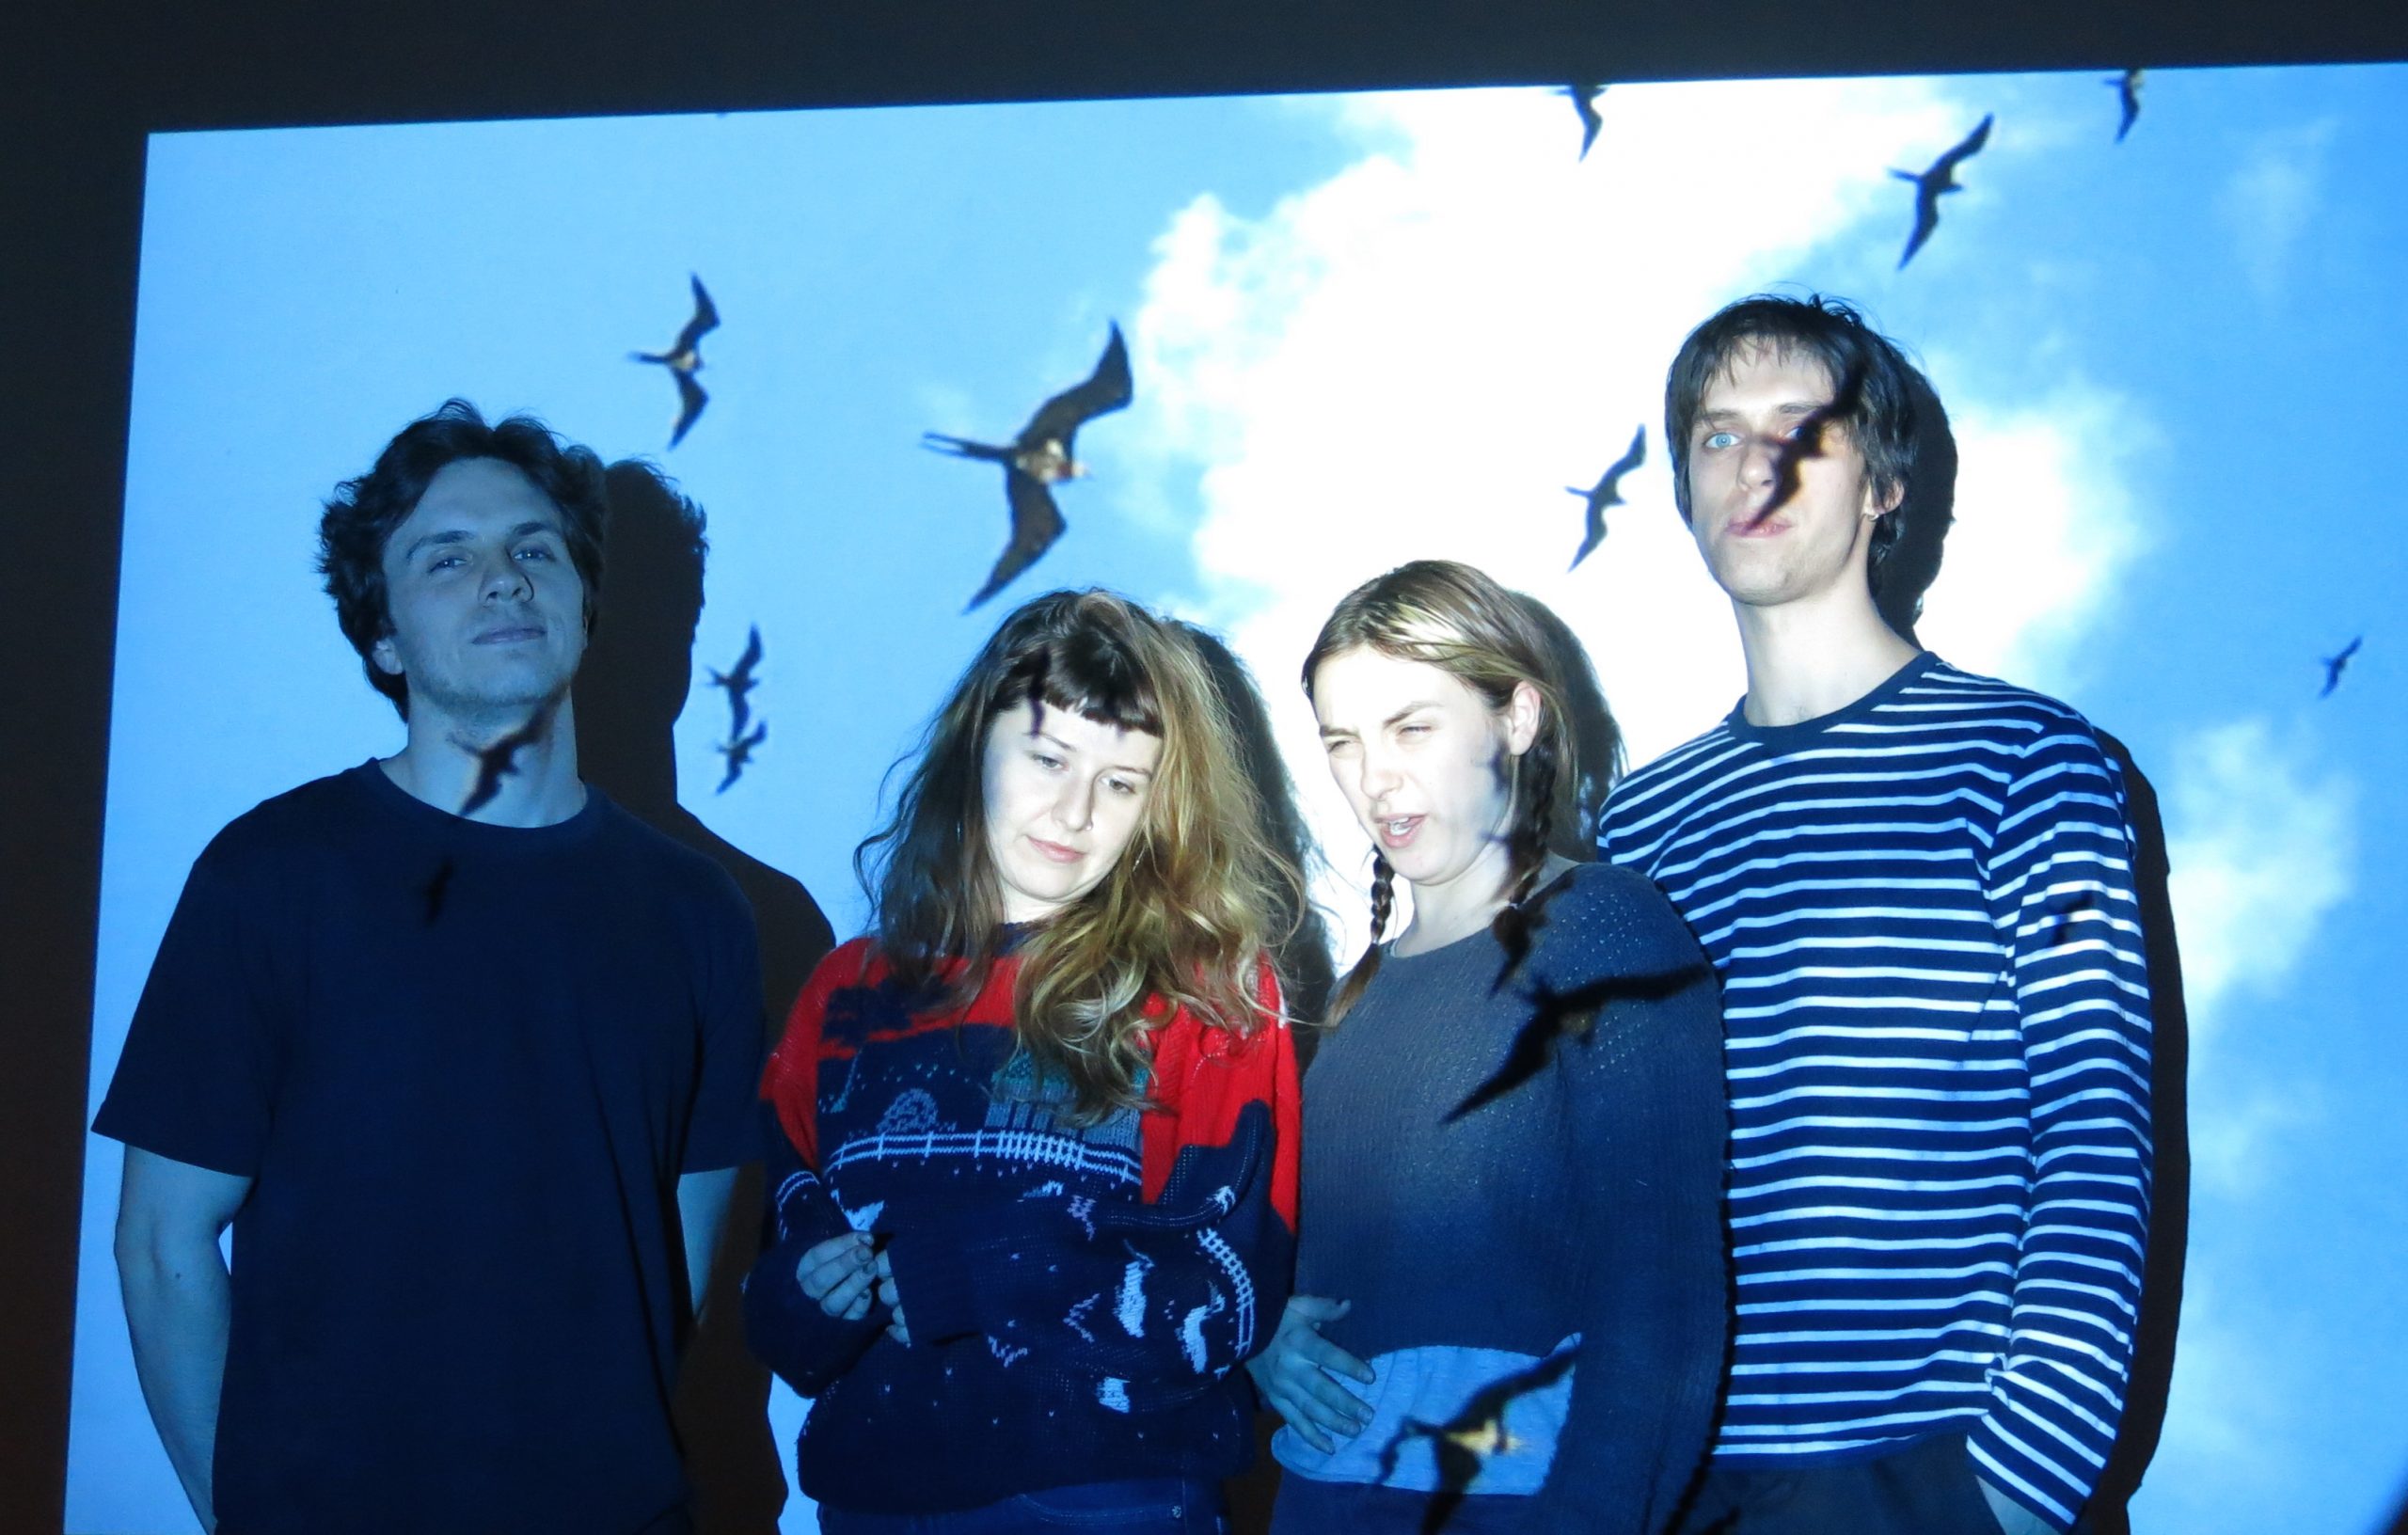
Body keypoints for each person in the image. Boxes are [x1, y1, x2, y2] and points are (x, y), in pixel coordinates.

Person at [95, 400, 764, 1535]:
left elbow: (677, 1269)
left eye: (534, 550)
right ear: (384, 639)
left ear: (584, 606)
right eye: (446, 558)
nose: (502, 580)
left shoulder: (699, 912)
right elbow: (162, 1246)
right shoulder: (274, 875)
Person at [1596, 294, 2154, 1535]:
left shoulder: (2026, 763)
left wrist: (2011, 1489)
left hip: (1926, 1478)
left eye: (1803, 428)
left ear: (1884, 486)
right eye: (1717, 434)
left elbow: (2094, 1133)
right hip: (1669, 1487)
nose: (1755, 464)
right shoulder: (1637, 828)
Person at [745, 589, 1302, 1534]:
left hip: (1102, 1498)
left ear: (1161, 806)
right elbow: (773, 1294)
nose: (1074, 812)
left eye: (1121, 783)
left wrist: (988, 1274)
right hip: (870, 1495)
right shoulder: (843, 994)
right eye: (1048, 759)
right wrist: (812, 1301)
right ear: (977, 742)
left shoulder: (1207, 997)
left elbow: (1230, 1295)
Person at [1254, 559, 1727, 1534]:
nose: (1374, 778)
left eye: (1411, 728)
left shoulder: (1604, 929)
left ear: (1517, 717)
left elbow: (1664, 1301)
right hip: (1320, 1502)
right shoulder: (1350, 1000)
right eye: (1342, 742)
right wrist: (1259, 1338)